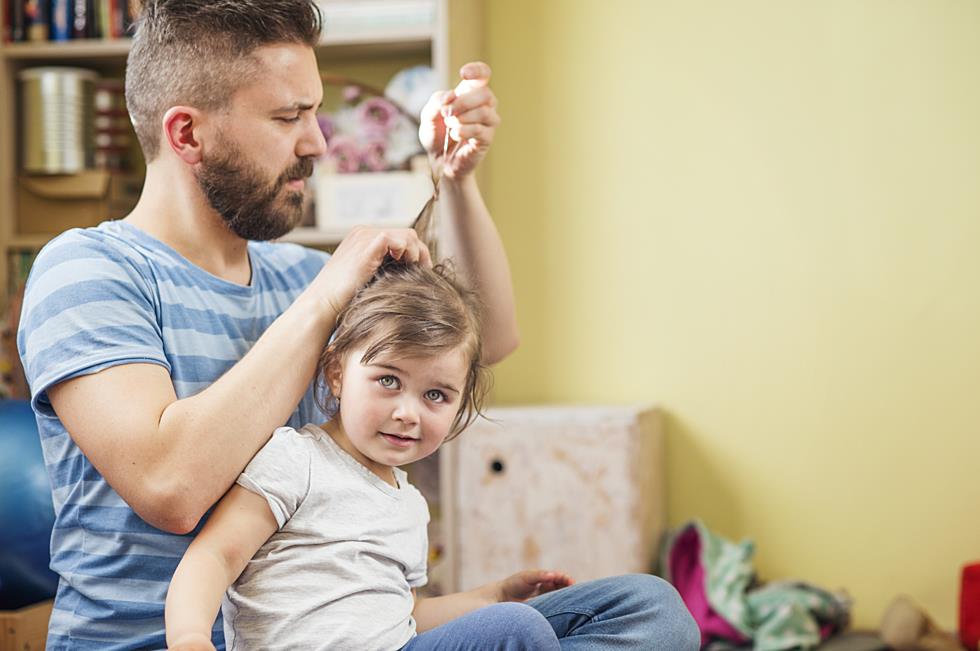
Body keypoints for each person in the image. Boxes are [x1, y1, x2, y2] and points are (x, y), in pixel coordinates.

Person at [17, 1, 515, 649]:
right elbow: (173, 487)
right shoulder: (86, 270)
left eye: (314, 111)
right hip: (146, 641)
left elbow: (487, 337)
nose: (318, 142)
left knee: (629, 608)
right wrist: (327, 295)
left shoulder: (305, 275)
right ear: (188, 135)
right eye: (288, 117)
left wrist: (457, 181)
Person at [164, 262, 573, 650]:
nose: (407, 414)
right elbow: (215, 556)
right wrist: (188, 637)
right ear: (337, 373)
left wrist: (496, 595)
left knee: (522, 626)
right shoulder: (297, 459)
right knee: (523, 630)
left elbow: (408, 614)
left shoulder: (410, 505)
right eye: (388, 380)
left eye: (435, 395)